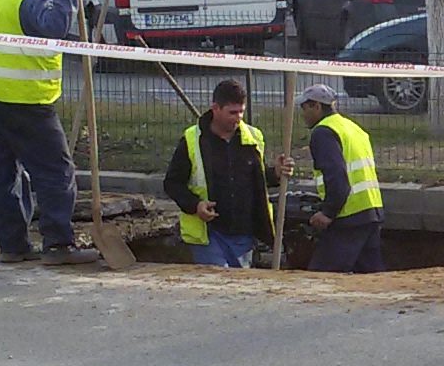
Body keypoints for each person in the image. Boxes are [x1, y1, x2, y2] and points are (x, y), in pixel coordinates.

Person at [0, 0, 88, 263]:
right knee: (56, 172)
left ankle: (13, 246)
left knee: (5, 175)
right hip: (28, 100)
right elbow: (54, 27)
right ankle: (59, 245)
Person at [163, 78, 275, 267]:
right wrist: (196, 205)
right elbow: (172, 183)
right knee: (216, 286)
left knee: (240, 290)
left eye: (241, 111)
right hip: (209, 234)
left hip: (243, 235)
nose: (238, 118)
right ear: (216, 108)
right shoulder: (193, 140)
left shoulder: (253, 138)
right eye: (232, 112)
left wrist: (277, 174)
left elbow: (259, 180)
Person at [281, 83, 387, 273]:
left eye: (304, 108)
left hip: (348, 216)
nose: (303, 114)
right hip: (371, 211)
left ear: (317, 106)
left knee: (322, 276)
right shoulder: (352, 128)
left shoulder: (323, 132)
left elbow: (337, 177)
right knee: (371, 275)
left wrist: (327, 212)